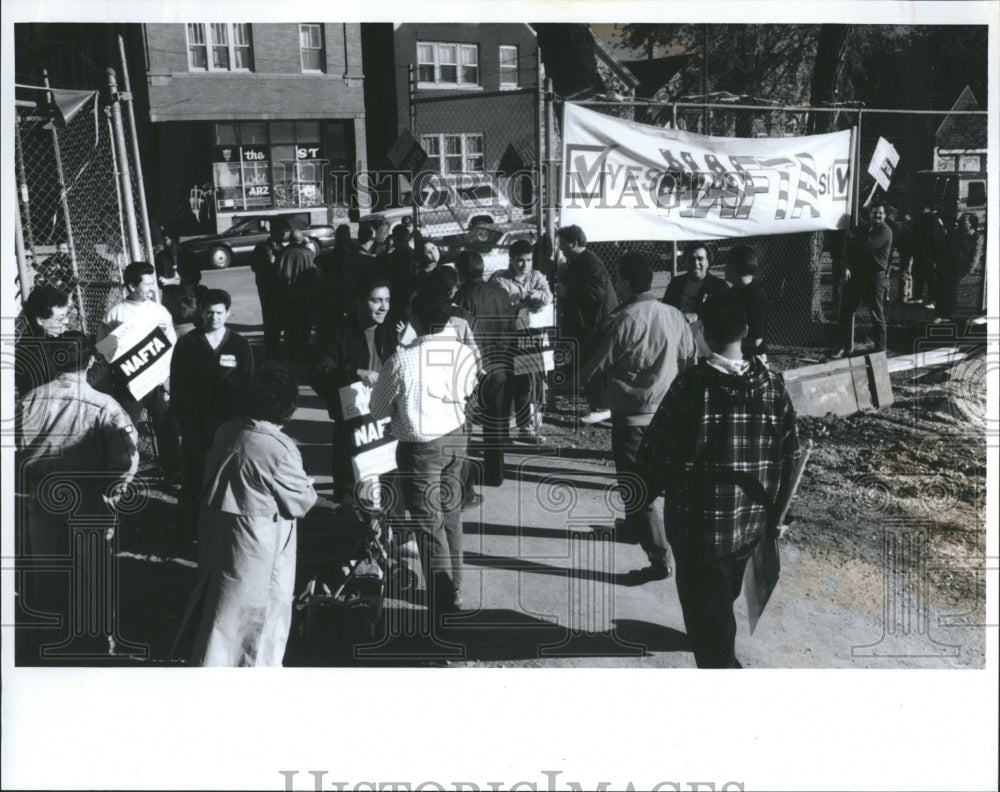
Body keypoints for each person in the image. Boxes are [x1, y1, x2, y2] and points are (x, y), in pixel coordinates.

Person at [637, 292, 801, 668]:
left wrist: (646, 491)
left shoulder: (692, 388)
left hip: (698, 529)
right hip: (749, 525)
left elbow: (656, 454)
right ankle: (713, 637)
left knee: (708, 616)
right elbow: (789, 458)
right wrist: (780, 514)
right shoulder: (773, 386)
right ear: (744, 331)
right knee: (721, 596)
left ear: (705, 335)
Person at [16, 332, 139, 657]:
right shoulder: (106, 407)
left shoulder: (29, 400)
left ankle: (49, 641)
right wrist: (114, 492)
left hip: (42, 497)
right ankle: (97, 644)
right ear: (92, 361)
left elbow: (13, 452)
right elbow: (127, 458)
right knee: (93, 577)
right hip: (89, 500)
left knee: (48, 573)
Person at [187, 364, 318, 666]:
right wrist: (307, 487)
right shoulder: (279, 448)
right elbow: (300, 502)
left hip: (220, 534)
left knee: (221, 613)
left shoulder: (228, 430)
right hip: (259, 546)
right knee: (259, 621)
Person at [579, 251, 697, 580]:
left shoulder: (621, 320)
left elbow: (595, 364)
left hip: (632, 419)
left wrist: (572, 382)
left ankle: (660, 560)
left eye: (618, 280)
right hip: (667, 416)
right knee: (647, 484)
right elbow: (689, 362)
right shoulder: (675, 316)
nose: (615, 285)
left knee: (638, 488)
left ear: (628, 284)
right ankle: (633, 530)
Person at [370, 293, 479, 615]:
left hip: (420, 449)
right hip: (456, 439)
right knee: (451, 515)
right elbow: (468, 390)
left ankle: (443, 602)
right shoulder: (463, 353)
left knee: (429, 524)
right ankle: (454, 587)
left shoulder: (401, 360)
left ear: (416, 321)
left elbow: (377, 410)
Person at [170, 288, 254, 527]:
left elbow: (247, 383)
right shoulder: (187, 343)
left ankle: (226, 525)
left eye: (219, 313)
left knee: (227, 476)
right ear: (201, 312)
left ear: (228, 313)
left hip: (229, 423)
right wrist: (183, 421)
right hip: (196, 423)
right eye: (209, 312)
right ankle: (191, 524)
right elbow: (178, 385)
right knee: (195, 474)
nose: (214, 317)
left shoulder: (240, 344)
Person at [312, 277, 398, 499]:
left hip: (385, 415)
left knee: (386, 475)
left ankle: (384, 525)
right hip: (352, 418)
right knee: (350, 478)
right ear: (359, 302)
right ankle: (348, 524)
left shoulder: (390, 328)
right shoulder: (338, 331)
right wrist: (356, 374)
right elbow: (320, 372)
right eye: (376, 300)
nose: (384, 307)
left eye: (387, 300)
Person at [101, 260, 179, 476]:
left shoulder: (160, 311)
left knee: (167, 428)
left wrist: (168, 377)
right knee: (126, 430)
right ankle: (125, 472)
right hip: (130, 385)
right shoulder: (115, 315)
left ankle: (172, 472)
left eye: (154, 283)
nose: (153, 288)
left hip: (159, 383)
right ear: (133, 286)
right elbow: (105, 352)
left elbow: (171, 345)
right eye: (148, 284)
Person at [455, 249, 518, 486]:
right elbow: (511, 327)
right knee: (497, 422)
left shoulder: (461, 297)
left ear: (460, 273)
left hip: (472, 368)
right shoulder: (500, 293)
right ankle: (495, 473)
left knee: (466, 424)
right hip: (500, 363)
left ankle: (463, 476)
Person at [490, 238, 553, 443]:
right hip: (506, 337)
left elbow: (547, 296)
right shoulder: (500, 278)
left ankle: (526, 427)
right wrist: (529, 298)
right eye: (519, 260)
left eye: (528, 260)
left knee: (527, 382)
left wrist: (527, 298)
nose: (524, 265)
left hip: (529, 336)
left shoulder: (536, 275)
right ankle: (502, 432)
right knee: (506, 383)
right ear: (510, 260)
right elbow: (503, 302)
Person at [832, 200, 893, 357]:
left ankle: (880, 349)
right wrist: (846, 265)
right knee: (846, 311)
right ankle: (842, 347)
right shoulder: (863, 228)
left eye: (880, 213)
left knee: (876, 314)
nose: (877, 215)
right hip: (858, 275)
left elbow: (865, 245)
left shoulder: (885, 231)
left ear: (885, 215)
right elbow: (851, 251)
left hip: (875, 277)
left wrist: (849, 235)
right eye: (875, 212)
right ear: (870, 213)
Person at [556, 224, 619, 364]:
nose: (560, 248)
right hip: (593, 325)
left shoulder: (589, 262)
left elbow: (596, 293)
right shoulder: (581, 261)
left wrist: (567, 292)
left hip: (598, 326)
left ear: (574, 243)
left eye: (563, 244)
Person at [277, 228, 317, 365]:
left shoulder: (284, 253)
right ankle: (304, 355)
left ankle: (292, 356)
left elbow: (279, 276)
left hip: (289, 297)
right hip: (306, 297)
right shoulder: (309, 254)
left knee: (290, 328)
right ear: (301, 240)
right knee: (305, 327)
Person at [661, 243, 729, 322]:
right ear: (685, 262)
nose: (695, 263)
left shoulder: (718, 285)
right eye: (691, 259)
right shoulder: (676, 282)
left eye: (700, 259)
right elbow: (666, 308)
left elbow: (724, 313)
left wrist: (697, 316)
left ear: (708, 262)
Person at [935, 213, 983, 323]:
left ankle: (947, 314)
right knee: (942, 289)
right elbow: (943, 247)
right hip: (947, 265)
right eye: (960, 220)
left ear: (971, 224)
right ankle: (939, 313)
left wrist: (968, 270)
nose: (961, 222)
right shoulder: (954, 234)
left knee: (951, 290)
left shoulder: (976, 237)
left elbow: (975, 255)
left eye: (964, 221)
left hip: (960, 267)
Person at [724, 244, 769, 362]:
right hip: (736, 355)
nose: (724, 268)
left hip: (752, 360)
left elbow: (756, 340)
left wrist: (725, 341)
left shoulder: (754, 296)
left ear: (733, 267)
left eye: (726, 264)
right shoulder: (734, 292)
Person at [250, 225, 286, 358]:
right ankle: (271, 348)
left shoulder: (281, 247)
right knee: (270, 316)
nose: (282, 236)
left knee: (277, 318)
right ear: (273, 234)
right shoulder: (263, 247)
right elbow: (254, 266)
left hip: (278, 286)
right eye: (279, 234)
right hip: (267, 288)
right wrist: (268, 263)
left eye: (282, 234)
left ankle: (274, 346)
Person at [911, 204, 946, 308]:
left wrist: (937, 256)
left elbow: (936, 239)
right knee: (921, 275)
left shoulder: (930, 220)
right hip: (924, 252)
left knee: (929, 277)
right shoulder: (926, 220)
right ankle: (920, 296)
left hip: (928, 253)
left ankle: (932, 299)